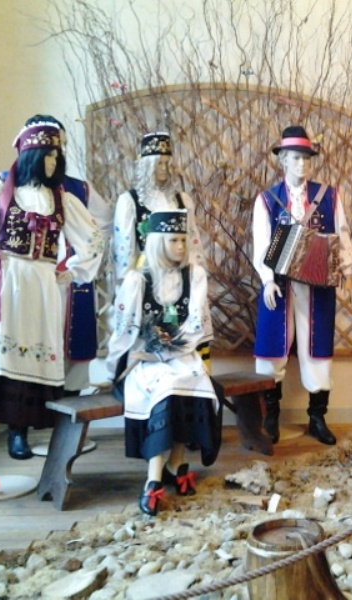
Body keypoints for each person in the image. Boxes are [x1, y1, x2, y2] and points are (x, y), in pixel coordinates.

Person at [0, 122, 104, 494]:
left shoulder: (62, 200)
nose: (54, 162)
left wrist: (72, 272)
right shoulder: (2, 193)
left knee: (18, 376)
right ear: (32, 157)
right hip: (6, 286)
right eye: (48, 155)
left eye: (57, 155)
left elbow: (93, 238)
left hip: (40, 292)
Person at [102, 209, 220, 516]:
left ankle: (176, 463)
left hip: (182, 354)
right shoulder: (138, 280)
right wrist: (115, 370)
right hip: (143, 360)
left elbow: (196, 322)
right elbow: (125, 330)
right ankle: (153, 480)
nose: (181, 246)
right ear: (157, 242)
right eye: (173, 240)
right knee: (167, 387)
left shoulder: (193, 275)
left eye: (183, 240)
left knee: (193, 379)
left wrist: (173, 345)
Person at [252, 125, 352, 446]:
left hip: (318, 286)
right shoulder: (267, 200)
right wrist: (267, 281)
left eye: (307, 158)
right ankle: (270, 416)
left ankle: (317, 417)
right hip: (279, 286)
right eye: (295, 158)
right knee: (272, 349)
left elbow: (343, 236)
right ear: (282, 159)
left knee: (317, 348)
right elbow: (261, 245)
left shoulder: (330, 196)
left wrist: (346, 271)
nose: (302, 164)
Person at [112, 131, 210, 370]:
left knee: (186, 321)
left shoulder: (182, 200)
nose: (165, 169)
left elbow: (193, 242)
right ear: (147, 166)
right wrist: (126, 286)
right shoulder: (130, 202)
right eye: (159, 164)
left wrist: (194, 276)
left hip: (180, 274)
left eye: (167, 163)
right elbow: (124, 250)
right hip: (148, 276)